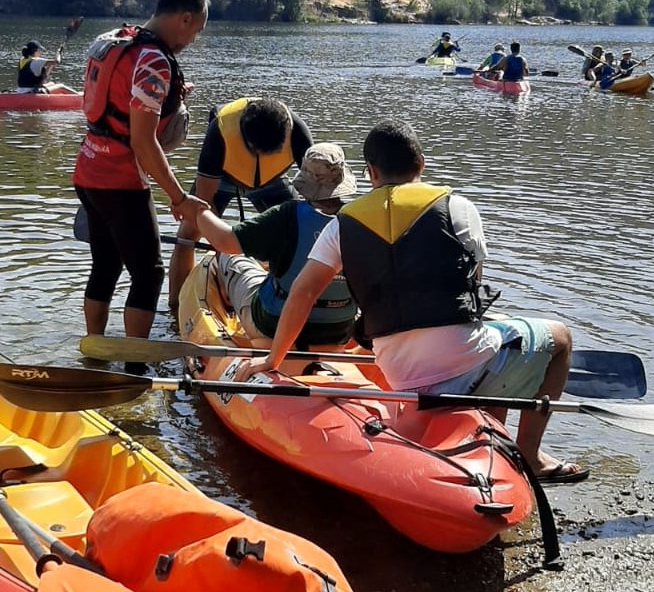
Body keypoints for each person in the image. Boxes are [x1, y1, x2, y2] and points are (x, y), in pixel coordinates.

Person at [234, 117, 587, 483]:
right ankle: (528, 455)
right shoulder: (458, 207)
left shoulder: (343, 223)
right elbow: (472, 289)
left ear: (370, 172)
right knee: (559, 338)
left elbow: (303, 292)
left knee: (492, 342)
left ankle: (488, 444)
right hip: (462, 365)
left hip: (400, 374)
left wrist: (273, 358)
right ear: (420, 164)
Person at [73, 0, 210, 364]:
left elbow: (114, 103)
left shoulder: (113, 39)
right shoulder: (153, 60)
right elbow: (143, 141)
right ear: (184, 18)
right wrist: (178, 197)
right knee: (149, 275)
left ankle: (94, 352)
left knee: (106, 263)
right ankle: (133, 366)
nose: (193, 40)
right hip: (120, 179)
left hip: (88, 168)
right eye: (195, 30)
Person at [195, 143, 358, 347]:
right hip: (337, 329)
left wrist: (200, 210)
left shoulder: (286, 215)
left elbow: (224, 241)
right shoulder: (358, 219)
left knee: (229, 256)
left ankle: (229, 306)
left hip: (273, 323)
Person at [168, 95, 314, 305]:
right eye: (257, 151)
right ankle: (176, 304)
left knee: (298, 228)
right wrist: (226, 262)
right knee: (188, 230)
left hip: (272, 180)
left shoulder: (297, 130)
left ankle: (294, 294)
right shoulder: (221, 130)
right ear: (244, 138)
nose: (261, 156)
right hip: (223, 178)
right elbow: (204, 202)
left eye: (269, 152)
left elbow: (316, 193)